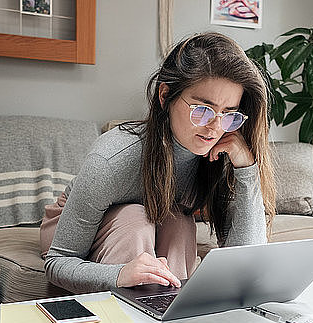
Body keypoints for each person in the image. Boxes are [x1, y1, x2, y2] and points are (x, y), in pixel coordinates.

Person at [40, 32, 276, 294]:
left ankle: (169, 315)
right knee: (136, 219)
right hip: (73, 225)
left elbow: (244, 263)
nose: (215, 127)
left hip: (160, 219)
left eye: (229, 114)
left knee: (179, 224)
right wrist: (120, 274)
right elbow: (58, 261)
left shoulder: (223, 152)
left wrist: (246, 168)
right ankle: (126, 322)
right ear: (165, 96)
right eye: (202, 110)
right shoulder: (111, 158)